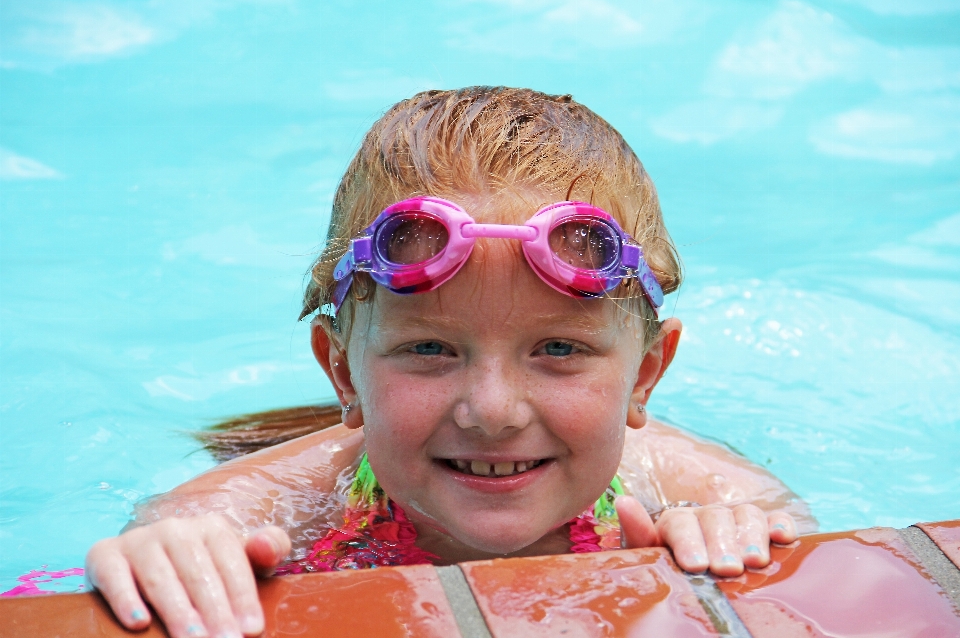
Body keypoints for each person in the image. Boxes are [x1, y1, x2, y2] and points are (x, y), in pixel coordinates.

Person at [86, 87, 816, 638]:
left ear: (648, 372)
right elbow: (175, 528)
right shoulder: (288, 507)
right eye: (429, 349)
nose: (493, 411)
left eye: (558, 348)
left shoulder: (688, 488)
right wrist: (168, 554)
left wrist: (737, 548)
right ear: (342, 372)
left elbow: (797, 548)